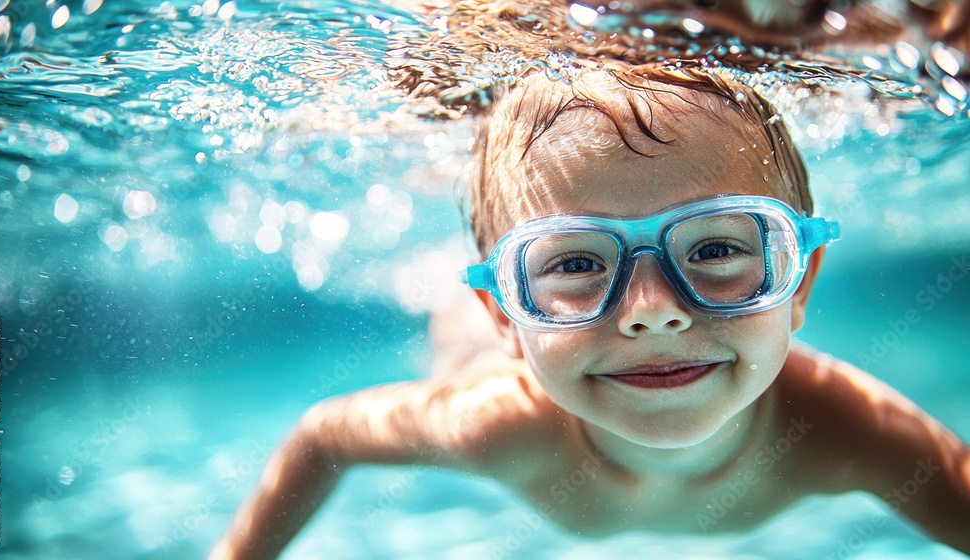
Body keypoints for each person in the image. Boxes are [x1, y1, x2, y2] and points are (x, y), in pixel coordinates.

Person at [207, 65, 970, 559]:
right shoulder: (491, 421)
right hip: (471, 350)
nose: (653, 312)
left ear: (799, 282)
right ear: (508, 315)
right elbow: (326, 436)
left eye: (714, 251)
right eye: (575, 260)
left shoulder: (856, 430)